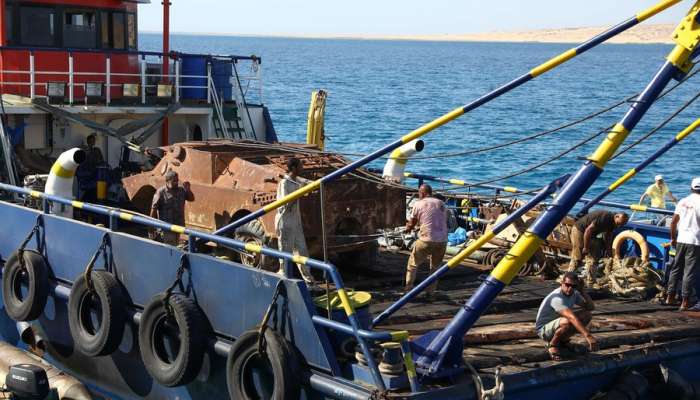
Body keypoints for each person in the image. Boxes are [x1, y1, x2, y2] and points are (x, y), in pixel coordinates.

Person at [535, 272, 597, 361]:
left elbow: (590, 307)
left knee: (587, 315)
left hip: (557, 324)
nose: (570, 288)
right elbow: (571, 317)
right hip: (544, 331)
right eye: (567, 285)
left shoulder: (574, 293)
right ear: (562, 283)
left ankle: (563, 340)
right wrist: (588, 336)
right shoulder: (557, 298)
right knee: (568, 321)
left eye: (573, 286)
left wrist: (582, 291)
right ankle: (552, 344)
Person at [275, 157, 315, 285]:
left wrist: (313, 185)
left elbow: (309, 183)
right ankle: (284, 281)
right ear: (293, 168)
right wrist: (299, 192)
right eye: (300, 166)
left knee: (302, 251)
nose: (302, 168)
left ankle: (309, 281)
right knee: (285, 254)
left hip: (296, 222)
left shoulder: (297, 180)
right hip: (285, 222)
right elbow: (284, 205)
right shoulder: (284, 184)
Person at [404, 184, 448, 295]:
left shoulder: (418, 204)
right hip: (442, 241)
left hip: (426, 240)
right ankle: (431, 293)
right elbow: (440, 221)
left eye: (419, 193)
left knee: (413, 264)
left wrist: (408, 229)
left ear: (422, 193)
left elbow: (412, 223)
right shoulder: (441, 203)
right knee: (435, 268)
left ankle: (408, 289)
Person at [667, 177, 700, 311]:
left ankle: (670, 297)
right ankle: (685, 302)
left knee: (675, 268)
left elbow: (674, 222)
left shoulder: (683, 201)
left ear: (691, 188)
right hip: (695, 241)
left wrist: (673, 238)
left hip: (681, 239)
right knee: (689, 271)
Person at [569, 210, 629, 283]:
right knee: (578, 256)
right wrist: (586, 247)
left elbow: (608, 236)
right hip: (580, 230)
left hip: (592, 234)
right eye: (619, 223)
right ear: (616, 216)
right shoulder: (605, 217)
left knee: (594, 258)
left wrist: (608, 250)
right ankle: (568, 277)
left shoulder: (615, 223)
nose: (619, 226)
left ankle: (591, 281)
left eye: (622, 224)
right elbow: (588, 230)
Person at [150, 170, 193, 246]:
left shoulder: (181, 190)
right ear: (167, 181)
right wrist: (151, 226)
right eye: (174, 181)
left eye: (177, 180)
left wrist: (188, 189)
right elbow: (153, 209)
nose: (176, 183)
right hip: (166, 227)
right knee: (170, 248)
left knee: (175, 245)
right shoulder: (161, 192)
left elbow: (191, 199)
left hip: (178, 225)